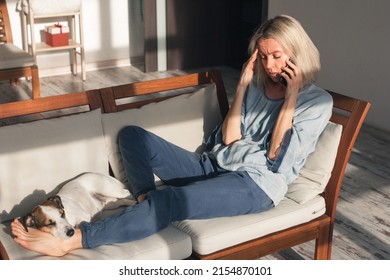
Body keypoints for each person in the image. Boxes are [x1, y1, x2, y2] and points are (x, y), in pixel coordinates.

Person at [11, 14, 333, 257]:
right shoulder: (259, 86)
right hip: (215, 165)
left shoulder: (317, 102)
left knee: (169, 201)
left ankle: (72, 241)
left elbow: (277, 157)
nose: (270, 64)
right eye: (263, 56)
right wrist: (244, 86)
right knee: (132, 136)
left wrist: (291, 97)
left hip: (255, 185)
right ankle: (145, 204)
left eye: (276, 56)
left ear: (297, 51)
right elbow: (232, 138)